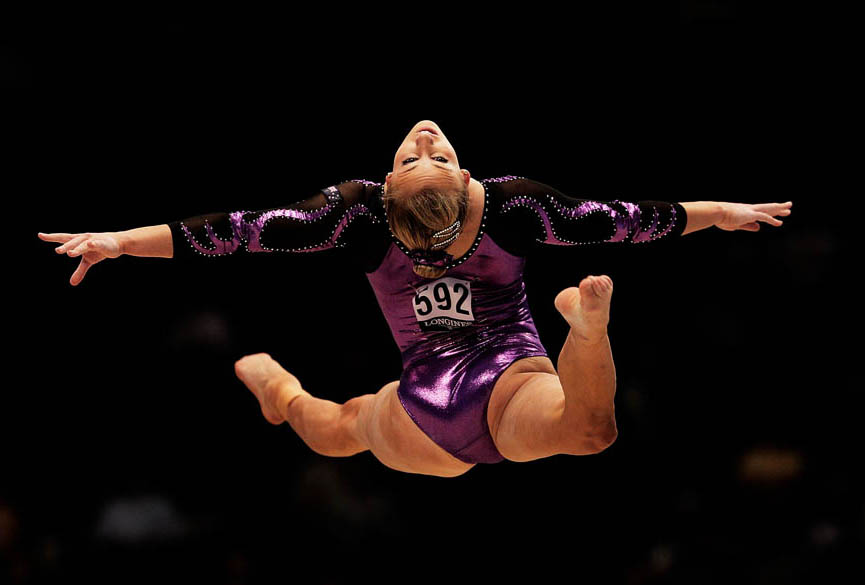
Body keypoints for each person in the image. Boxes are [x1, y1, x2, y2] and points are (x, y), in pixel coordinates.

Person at [38, 120, 792, 478]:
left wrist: (118, 239)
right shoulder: (509, 206)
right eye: (419, 155)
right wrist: (715, 211)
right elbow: (626, 221)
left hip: (501, 379)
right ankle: (585, 331)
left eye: (428, 152)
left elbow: (236, 233)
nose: (426, 139)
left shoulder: (360, 211)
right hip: (449, 386)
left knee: (585, 432)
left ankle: (583, 332)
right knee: (335, 427)